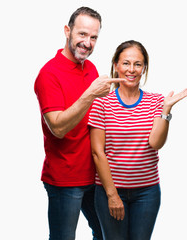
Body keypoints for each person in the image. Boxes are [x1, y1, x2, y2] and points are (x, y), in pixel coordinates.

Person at [34, 7, 124, 240]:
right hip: (65, 179)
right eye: (82, 34)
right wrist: (90, 93)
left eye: (93, 37)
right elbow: (58, 128)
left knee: (107, 234)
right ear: (67, 31)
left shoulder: (91, 69)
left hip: (94, 176)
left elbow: (98, 118)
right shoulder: (49, 74)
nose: (87, 42)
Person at [88, 40, 187, 240]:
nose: (131, 70)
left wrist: (166, 112)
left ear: (144, 68)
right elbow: (97, 152)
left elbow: (156, 143)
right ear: (116, 65)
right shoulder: (101, 103)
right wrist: (112, 195)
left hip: (147, 193)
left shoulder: (156, 101)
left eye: (138, 64)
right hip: (109, 191)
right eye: (126, 63)